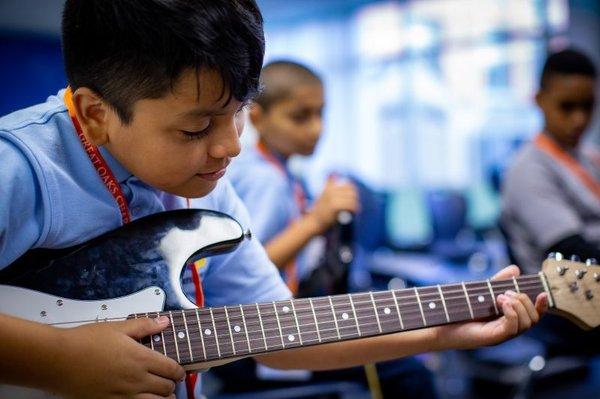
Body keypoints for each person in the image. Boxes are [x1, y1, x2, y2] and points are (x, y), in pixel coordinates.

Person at [0, 1, 546, 398]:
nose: (233, 145)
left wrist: (447, 332)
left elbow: (280, 335)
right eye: (196, 129)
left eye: (239, 111)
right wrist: (60, 360)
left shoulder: (207, 190)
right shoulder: (20, 165)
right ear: (97, 115)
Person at [223, 60, 437, 397]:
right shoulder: (263, 178)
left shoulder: (285, 173)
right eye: (300, 116)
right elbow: (247, 270)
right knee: (408, 373)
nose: (316, 128)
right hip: (261, 348)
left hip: (280, 328)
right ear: (257, 117)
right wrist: (316, 220)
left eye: (321, 114)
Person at [500, 48, 598, 355]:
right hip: (564, 305)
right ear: (539, 100)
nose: (579, 119)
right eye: (566, 107)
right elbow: (574, 252)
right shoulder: (528, 169)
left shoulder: (586, 157)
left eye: (587, 106)